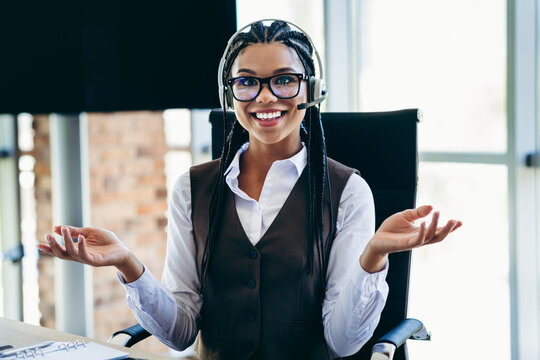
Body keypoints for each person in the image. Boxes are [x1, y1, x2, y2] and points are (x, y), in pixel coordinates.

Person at [37, 20, 462, 360]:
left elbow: (343, 342)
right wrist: (128, 263)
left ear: (311, 90)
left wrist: (373, 257)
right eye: (247, 82)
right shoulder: (192, 187)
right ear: (231, 93)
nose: (265, 97)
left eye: (284, 80)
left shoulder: (348, 191)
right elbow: (181, 335)